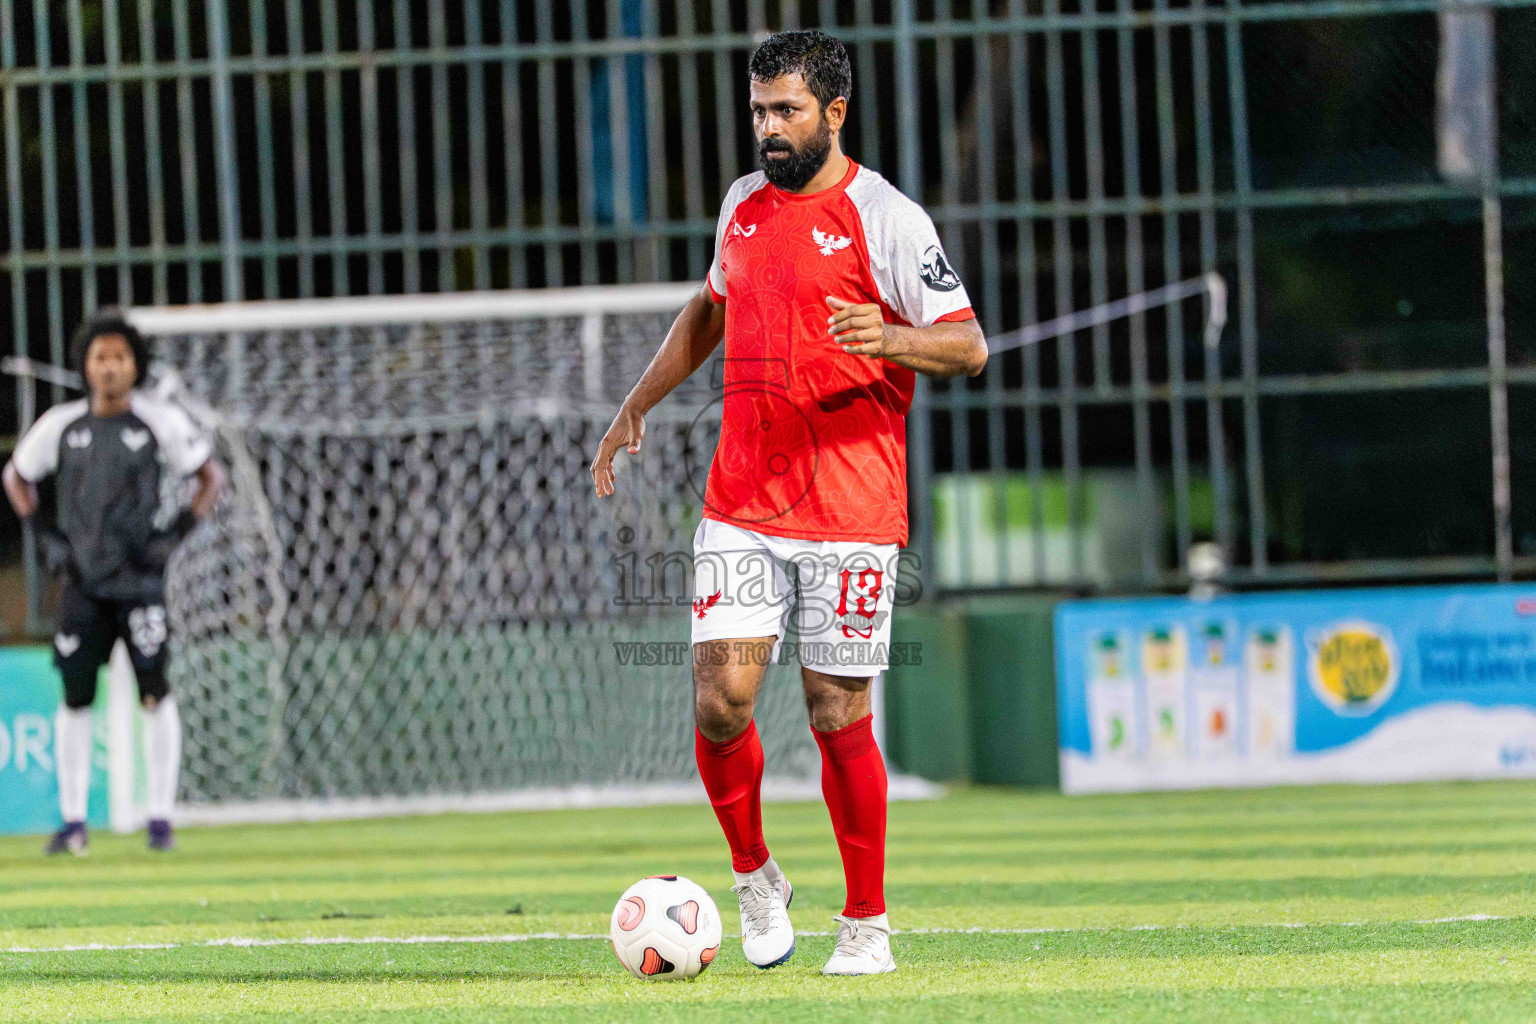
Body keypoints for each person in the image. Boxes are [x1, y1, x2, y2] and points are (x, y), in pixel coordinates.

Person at [590, 31, 985, 975]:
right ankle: (756, 876)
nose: (767, 128)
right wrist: (636, 403)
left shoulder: (888, 220)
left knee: (837, 707)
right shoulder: (742, 203)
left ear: (834, 113)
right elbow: (710, 309)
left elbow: (967, 346)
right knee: (722, 700)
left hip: (851, 508)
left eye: (786, 111)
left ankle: (866, 925)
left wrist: (889, 337)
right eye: (759, 109)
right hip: (741, 502)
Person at [3, 312, 224, 855]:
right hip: (82, 585)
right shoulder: (62, 424)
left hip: (141, 583)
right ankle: (74, 822)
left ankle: (160, 819)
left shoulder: (159, 422)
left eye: (120, 357)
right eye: (100, 357)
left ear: (135, 365)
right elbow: (15, 476)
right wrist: (46, 538)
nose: (109, 367)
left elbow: (209, 477)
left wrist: (174, 535)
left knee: (155, 691)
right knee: (76, 698)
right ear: (85, 364)